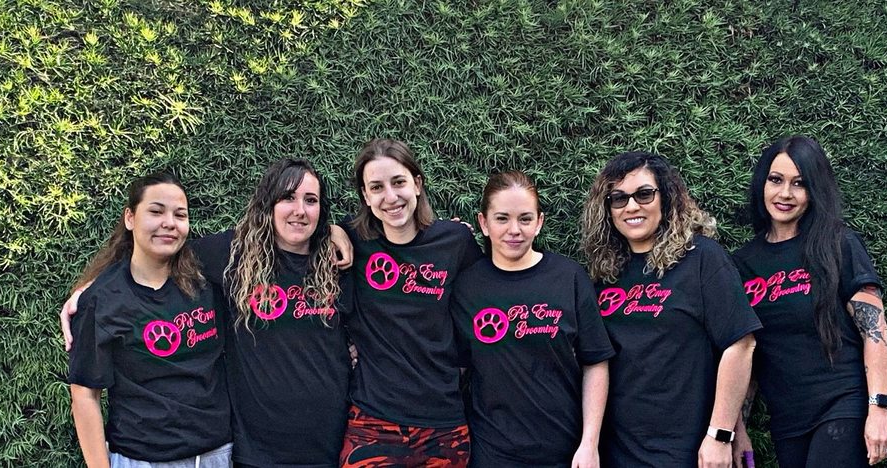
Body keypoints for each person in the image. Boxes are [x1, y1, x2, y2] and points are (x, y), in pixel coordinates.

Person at [64, 160, 353, 467]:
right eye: (287, 197)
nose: (300, 210)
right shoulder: (233, 255)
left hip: (330, 443)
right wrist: (89, 290)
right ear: (268, 204)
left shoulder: (338, 262)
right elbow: (157, 252)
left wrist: (336, 232)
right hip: (256, 452)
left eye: (311, 200)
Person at [580, 151, 761, 467]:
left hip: (688, 448)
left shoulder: (702, 258)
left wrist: (721, 434)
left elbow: (741, 345)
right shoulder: (604, 273)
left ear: (665, 196)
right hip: (617, 450)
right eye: (618, 198)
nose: (631, 206)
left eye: (644, 194)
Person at [731, 136, 887, 467]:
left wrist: (879, 409)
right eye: (776, 180)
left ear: (814, 190)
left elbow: (875, 331)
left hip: (841, 405)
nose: (785, 193)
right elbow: (746, 352)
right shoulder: (743, 263)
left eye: (799, 183)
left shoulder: (838, 244)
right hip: (787, 420)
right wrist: (737, 428)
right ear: (762, 184)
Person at [451, 171, 614, 468]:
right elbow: (455, 368)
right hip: (492, 453)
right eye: (502, 218)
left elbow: (595, 362)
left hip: (564, 451)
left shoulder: (568, 277)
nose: (514, 230)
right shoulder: (466, 287)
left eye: (525, 219)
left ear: (539, 222)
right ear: (483, 223)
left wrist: (590, 443)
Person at [68, 173, 232, 467]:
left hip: (215, 455)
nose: (169, 223)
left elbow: (270, 237)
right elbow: (84, 395)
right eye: (156, 211)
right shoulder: (103, 299)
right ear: (130, 218)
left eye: (180, 215)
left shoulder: (207, 275)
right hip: (140, 458)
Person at [338, 138, 483, 467]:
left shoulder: (455, 241)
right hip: (373, 420)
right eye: (376, 187)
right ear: (365, 196)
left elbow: (481, 307)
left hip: (442, 423)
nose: (390, 197)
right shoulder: (355, 240)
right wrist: (332, 230)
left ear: (417, 184)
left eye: (399, 182)